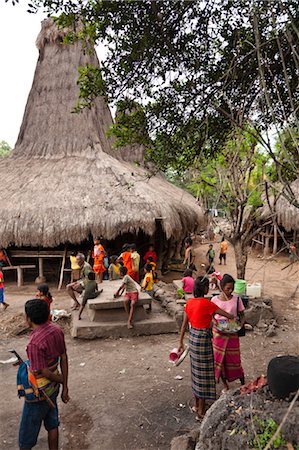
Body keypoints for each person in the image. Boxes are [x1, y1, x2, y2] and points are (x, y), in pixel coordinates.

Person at [178, 277, 234, 420]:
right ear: (205, 289)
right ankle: (201, 412)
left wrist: (180, 343)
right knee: (204, 376)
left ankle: (197, 405)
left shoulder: (189, 303)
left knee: (196, 374)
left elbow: (184, 325)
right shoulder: (208, 304)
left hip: (193, 341)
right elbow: (227, 315)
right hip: (203, 342)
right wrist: (234, 316)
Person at [18, 299, 69, 450]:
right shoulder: (57, 331)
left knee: (25, 439)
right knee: (52, 424)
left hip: (39, 394)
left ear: (28, 318)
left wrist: (61, 380)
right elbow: (63, 358)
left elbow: (43, 371)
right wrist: (64, 385)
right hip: (53, 389)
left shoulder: (34, 343)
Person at [211, 274, 246, 391]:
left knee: (235, 359)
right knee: (219, 360)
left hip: (232, 333)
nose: (230, 291)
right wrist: (215, 323)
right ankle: (225, 385)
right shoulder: (214, 300)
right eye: (228, 288)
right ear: (221, 287)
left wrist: (240, 325)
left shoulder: (237, 299)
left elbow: (242, 315)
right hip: (218, 333)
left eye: (232, 288)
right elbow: (210, 316)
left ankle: (243, 383)